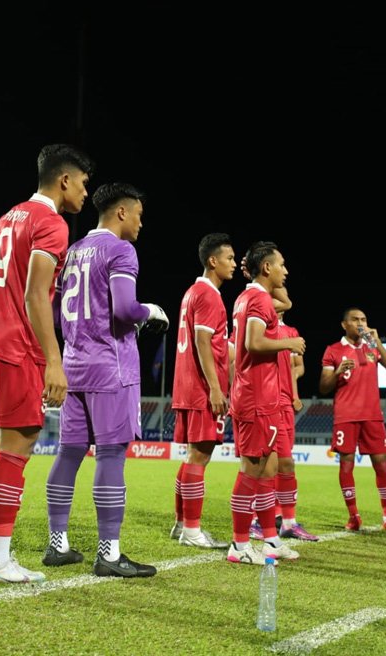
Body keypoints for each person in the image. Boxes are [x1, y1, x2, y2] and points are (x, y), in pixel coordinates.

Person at [0, 143, 94, 584]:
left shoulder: (10, 216)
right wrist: (53, 361)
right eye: (82, 182)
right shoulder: (52, 224)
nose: (83, 191)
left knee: (2, 449)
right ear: (64, 180)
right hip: (17, 349)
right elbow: (37, 293)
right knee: (17, 448)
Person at [42, 182, 169, 578]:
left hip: (74, 365)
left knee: (69, 453)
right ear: (121, 213)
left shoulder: (74, 251)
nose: (140, 224)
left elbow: (58, 308)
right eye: (139, 215)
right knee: (112, 455)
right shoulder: (120, 249)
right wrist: (152, 311)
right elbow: (125, 310)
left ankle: (57, 544)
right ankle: (109, 554)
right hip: (111, 368)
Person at [226, 241, 306, 565]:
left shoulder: (253, 296)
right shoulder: (257, 298)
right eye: (281, 265)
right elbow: (253, 342)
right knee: (252, 469)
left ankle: (270, 540)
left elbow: (285, 299)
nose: (286, 271)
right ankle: (239, 544)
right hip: (256, 397)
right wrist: (290, 342)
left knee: (269, 467)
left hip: (265, 397)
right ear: (267, 268)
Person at [167, 233, 238, 549]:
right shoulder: (209, 295)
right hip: (201, 388)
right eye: (230, 259)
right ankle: (192, 530)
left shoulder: (192, 292)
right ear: (213, 261)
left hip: (186, 385)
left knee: (192, 456)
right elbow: (202, 342)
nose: (234, 264)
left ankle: (182, 523)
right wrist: (215, 388)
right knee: (200, 455)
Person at [318, 307, 386, 535]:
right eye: (355, 319)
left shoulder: (371, 347)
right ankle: (353, 516)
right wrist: (337, 372)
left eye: (364, 319)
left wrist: (377, 342)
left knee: (382, 463)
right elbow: (324, 387)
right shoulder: (333, 350)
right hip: (346, 416)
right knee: (346, 465)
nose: (360, 323)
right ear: (344, 324)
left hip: (372, 416)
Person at [249, 306, 319, 541]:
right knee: (263, 464)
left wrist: (293, 391)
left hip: (285, 403)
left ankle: (288, 522)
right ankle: (256, 519)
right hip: (264, 401)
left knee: (286, 464)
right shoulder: (256, 325)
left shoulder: (291, 331)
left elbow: (297, 366)